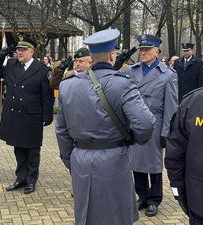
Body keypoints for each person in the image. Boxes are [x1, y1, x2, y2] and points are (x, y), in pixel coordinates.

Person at [56, 28, 156, 225]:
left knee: (86, 214)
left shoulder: (68, 85)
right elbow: (145, 124)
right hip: (113, 158)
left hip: (80, 158)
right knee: (115, 215)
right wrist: (132, 140)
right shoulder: (123, 84)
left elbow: (61, 131)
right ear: (112, 54)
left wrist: (71, 161)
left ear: (91, 57)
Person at [0, 35, 54, 194]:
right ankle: (21, 178)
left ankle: (31, 180)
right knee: (19, 149)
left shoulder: (42, 69)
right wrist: (1, 55)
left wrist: (47, 115)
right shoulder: (12, 65)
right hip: (15, 115)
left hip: (32, 116)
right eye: (18, 50)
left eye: (23, 50)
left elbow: (47, 95)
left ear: (31, 52)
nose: (20, 53)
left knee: (32, 151)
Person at [125, 34, 178, 216]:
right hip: (135, 123)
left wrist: (167, 132)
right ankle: (142, 195)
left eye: (147, 49)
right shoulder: (131, 71)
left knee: (154, 165)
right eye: (141, 49)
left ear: (157, 52)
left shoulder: (168, 74)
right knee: (136, 162)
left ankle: (154, 199)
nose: (143, 52)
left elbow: (171, 106)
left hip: (155, 124)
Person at [165, 87, 203, 225]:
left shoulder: (192, 101)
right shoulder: (192, 102)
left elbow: (174, 157)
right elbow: (175, 156)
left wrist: (180, 194)